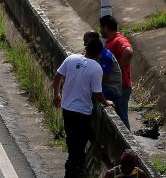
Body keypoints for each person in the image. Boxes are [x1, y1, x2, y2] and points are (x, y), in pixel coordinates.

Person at [53, 38, 113, 178]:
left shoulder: (71, 58)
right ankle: (74, 169)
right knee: (79, 143)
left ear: (86, 49)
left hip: (67, 108)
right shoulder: (96, 68)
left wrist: (56, 94)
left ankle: (72, 167)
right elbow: (98, 94)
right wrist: (106, 103)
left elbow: (57, 76)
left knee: (71, 139)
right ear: (99, 53)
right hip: (82, 112)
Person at [101, 14, 135, 128]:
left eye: (101, 27)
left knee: (122, 121)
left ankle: (129, 146)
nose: (101, 30)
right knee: (117, 120)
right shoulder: (111, 41)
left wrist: (117, 72)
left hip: (121, 86)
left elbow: (128, 51)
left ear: (105, 27)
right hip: (116, 86)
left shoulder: (118, 40)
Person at [83, 30, 124, 108]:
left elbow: (104, 78)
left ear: (93, 41)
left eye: (86, 41)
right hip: (103, 87)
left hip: (111, 89)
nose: (84, 44)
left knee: (87, 91)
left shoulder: (105, 56)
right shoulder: (93, 53)